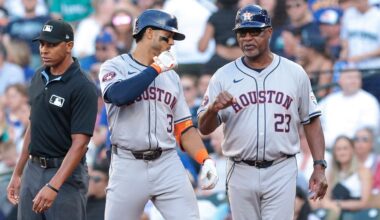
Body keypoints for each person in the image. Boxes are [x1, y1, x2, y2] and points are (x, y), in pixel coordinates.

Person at [197, 4, 328, 220]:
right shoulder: (222, 76)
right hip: (240, 168)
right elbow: (203, 127)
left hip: (281, 167)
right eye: (242, 33)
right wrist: (213, 109)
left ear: (269, 32)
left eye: (254, 31)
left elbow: (311, 120)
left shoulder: (294, 73)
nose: (247, 38)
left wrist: (319, 165)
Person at [98, 9, 218, 220]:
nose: (171, 43)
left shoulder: (171, 77)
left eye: (173, 38)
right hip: (128, 162)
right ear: (149, 32)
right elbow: (118, 95)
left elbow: (184, 127)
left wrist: (205, 159)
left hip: (166, 162)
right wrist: (155, 69)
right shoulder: (116, 66)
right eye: (167, 36)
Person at [6, 19, 98, 220]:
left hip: (65, 175)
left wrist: (54, 185)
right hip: (33, 168)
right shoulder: (39, 75)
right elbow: (34, 124)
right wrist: (19, 172)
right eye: (42, 44)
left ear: (69, 46)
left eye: (51, 44)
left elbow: (80, 144)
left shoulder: (83, 85)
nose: (44, 50)